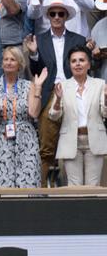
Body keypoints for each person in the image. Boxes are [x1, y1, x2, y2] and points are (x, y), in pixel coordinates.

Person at [0, 48, 43, 188]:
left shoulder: (28, 85)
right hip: (3, 136)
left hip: (27, 138)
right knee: (3, 182)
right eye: (6, 59)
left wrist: (37, 88)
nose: (8, 62)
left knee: (28, 181)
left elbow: (34, 113)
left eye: (12, 60)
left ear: (19, 64)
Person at [47, 46, 107, 186]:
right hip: (70, 141)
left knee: (93, 186)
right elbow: (53, 116)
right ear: (69, 65)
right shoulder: (62, 85)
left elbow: (105, 113)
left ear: (89, 64)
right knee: (74, 186)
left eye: (81, 60)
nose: (78, 64)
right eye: (74, 61)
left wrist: (106, 98)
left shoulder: (100, 84)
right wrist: (58, 100)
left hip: (94, 140)